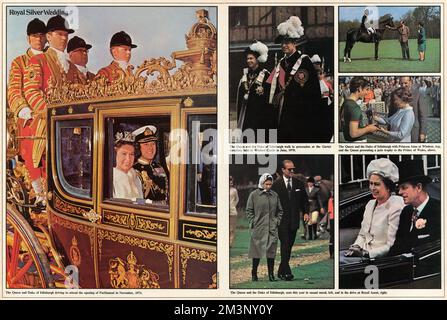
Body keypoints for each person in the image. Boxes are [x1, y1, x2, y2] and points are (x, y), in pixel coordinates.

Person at [22, 15, 81, 206]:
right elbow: (31, 91)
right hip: (46, 126)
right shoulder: (38, 60)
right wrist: (51, 114)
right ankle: (44, 200)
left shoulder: (72, 67)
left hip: (70, 129)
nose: (64, 38)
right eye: (59, 34)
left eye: (66, 35)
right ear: (48, 37)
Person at [267, 16, 331, 143]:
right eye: (282, 43)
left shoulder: (304, 61)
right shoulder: (281, 63)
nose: (284, 45)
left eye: (287, 42)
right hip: (283, 108)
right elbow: (271, 84)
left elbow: (310, 89)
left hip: (300, 110)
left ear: (294, 43)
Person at [7, 18, 47, 206]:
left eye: (41, 35)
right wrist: (24, 110)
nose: (38, 39)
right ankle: (39, 194)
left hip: (52, 117)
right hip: (30, 118)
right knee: (33, 153)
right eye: (34, 36)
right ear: (28, 38)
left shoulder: (51, 59)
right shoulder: (19, 62)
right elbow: (14, 90)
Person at [341, 158, 404, 262]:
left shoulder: (396, 205)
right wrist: (356, 246)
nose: (372, 188)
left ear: (388, 186)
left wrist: (366, 254)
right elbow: (362, 234)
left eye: (377, 184)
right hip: (363, 252)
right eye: (371, 183)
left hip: (379, 257)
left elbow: (391, 245)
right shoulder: (370, 204)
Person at [389, 160, 441, 255]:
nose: (399, 192)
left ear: (418, 187)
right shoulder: (406, 211)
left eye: (404, 187)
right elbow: (397, 245)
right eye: (399, 188)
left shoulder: (439, 210)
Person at [271, 160, 308, 281]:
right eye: (289, 169)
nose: (292, 171)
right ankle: (287, 272)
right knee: (285, 244)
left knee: (289, 246)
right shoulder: (276, 185)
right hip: (281, 221)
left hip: (294, 221)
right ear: (283, 170)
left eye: (293, 169)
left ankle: (281, 271)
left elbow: (304, 200)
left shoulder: (299, 183)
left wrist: (306, 212)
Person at [246, 173, 283, 282]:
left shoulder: (275, 195)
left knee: (271, 252)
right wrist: (253, 221)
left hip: (272, 228)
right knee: (256, 252)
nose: (268, 186)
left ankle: (271, 275)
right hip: (258, 227)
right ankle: (254, 273)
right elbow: (249, 210)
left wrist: (277, 221)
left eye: (270, 184)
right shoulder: (254, 195)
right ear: (262, 183)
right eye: (266, 184)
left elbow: (280, 211)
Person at [236, 40, 274, 135]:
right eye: (248, 58)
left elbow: (269, 98)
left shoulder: (265, 75)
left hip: (260, 117)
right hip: (247, 116)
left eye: (251, 58)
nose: (249, 61)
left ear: (257, 59)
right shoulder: (245, 76)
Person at [132, 125, 169, 203]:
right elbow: (133, 200)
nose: (151, 148)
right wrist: (152, 204)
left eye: (153, 144)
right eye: (146, 144)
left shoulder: (159, 167)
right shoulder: (134, 170)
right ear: (138, 147)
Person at [341, 77, 378, 142]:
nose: (367, 93)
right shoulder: (354, 107)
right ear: (359, 89)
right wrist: (369, 128)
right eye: (366, 89)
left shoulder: (345, 103)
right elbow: (353, 133)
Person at [113, 131, 143, 200]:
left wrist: (148, 203)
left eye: (131, 154)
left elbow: (139, 201)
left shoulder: (136, 178)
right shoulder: (111, 178)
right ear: (115, 154)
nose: (128, 159)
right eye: (124, 154)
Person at [396, 77, 427, 142]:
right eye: (401, 83)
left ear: (411, 82)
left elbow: (423, 116)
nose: (403, 85)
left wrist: (423, 132)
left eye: (405, 83)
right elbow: (392, 111)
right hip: (398, 131)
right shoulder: (396, 94)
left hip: (414, 131)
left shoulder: (418, 95)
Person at [229, 176, 239, 248]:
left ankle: (230, 244)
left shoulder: (234, 190)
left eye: (232, 180)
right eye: (229, 180)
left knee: (232, 229)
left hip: (232, 212)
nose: (231, 181)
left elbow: (237, 199)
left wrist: (233, 206)